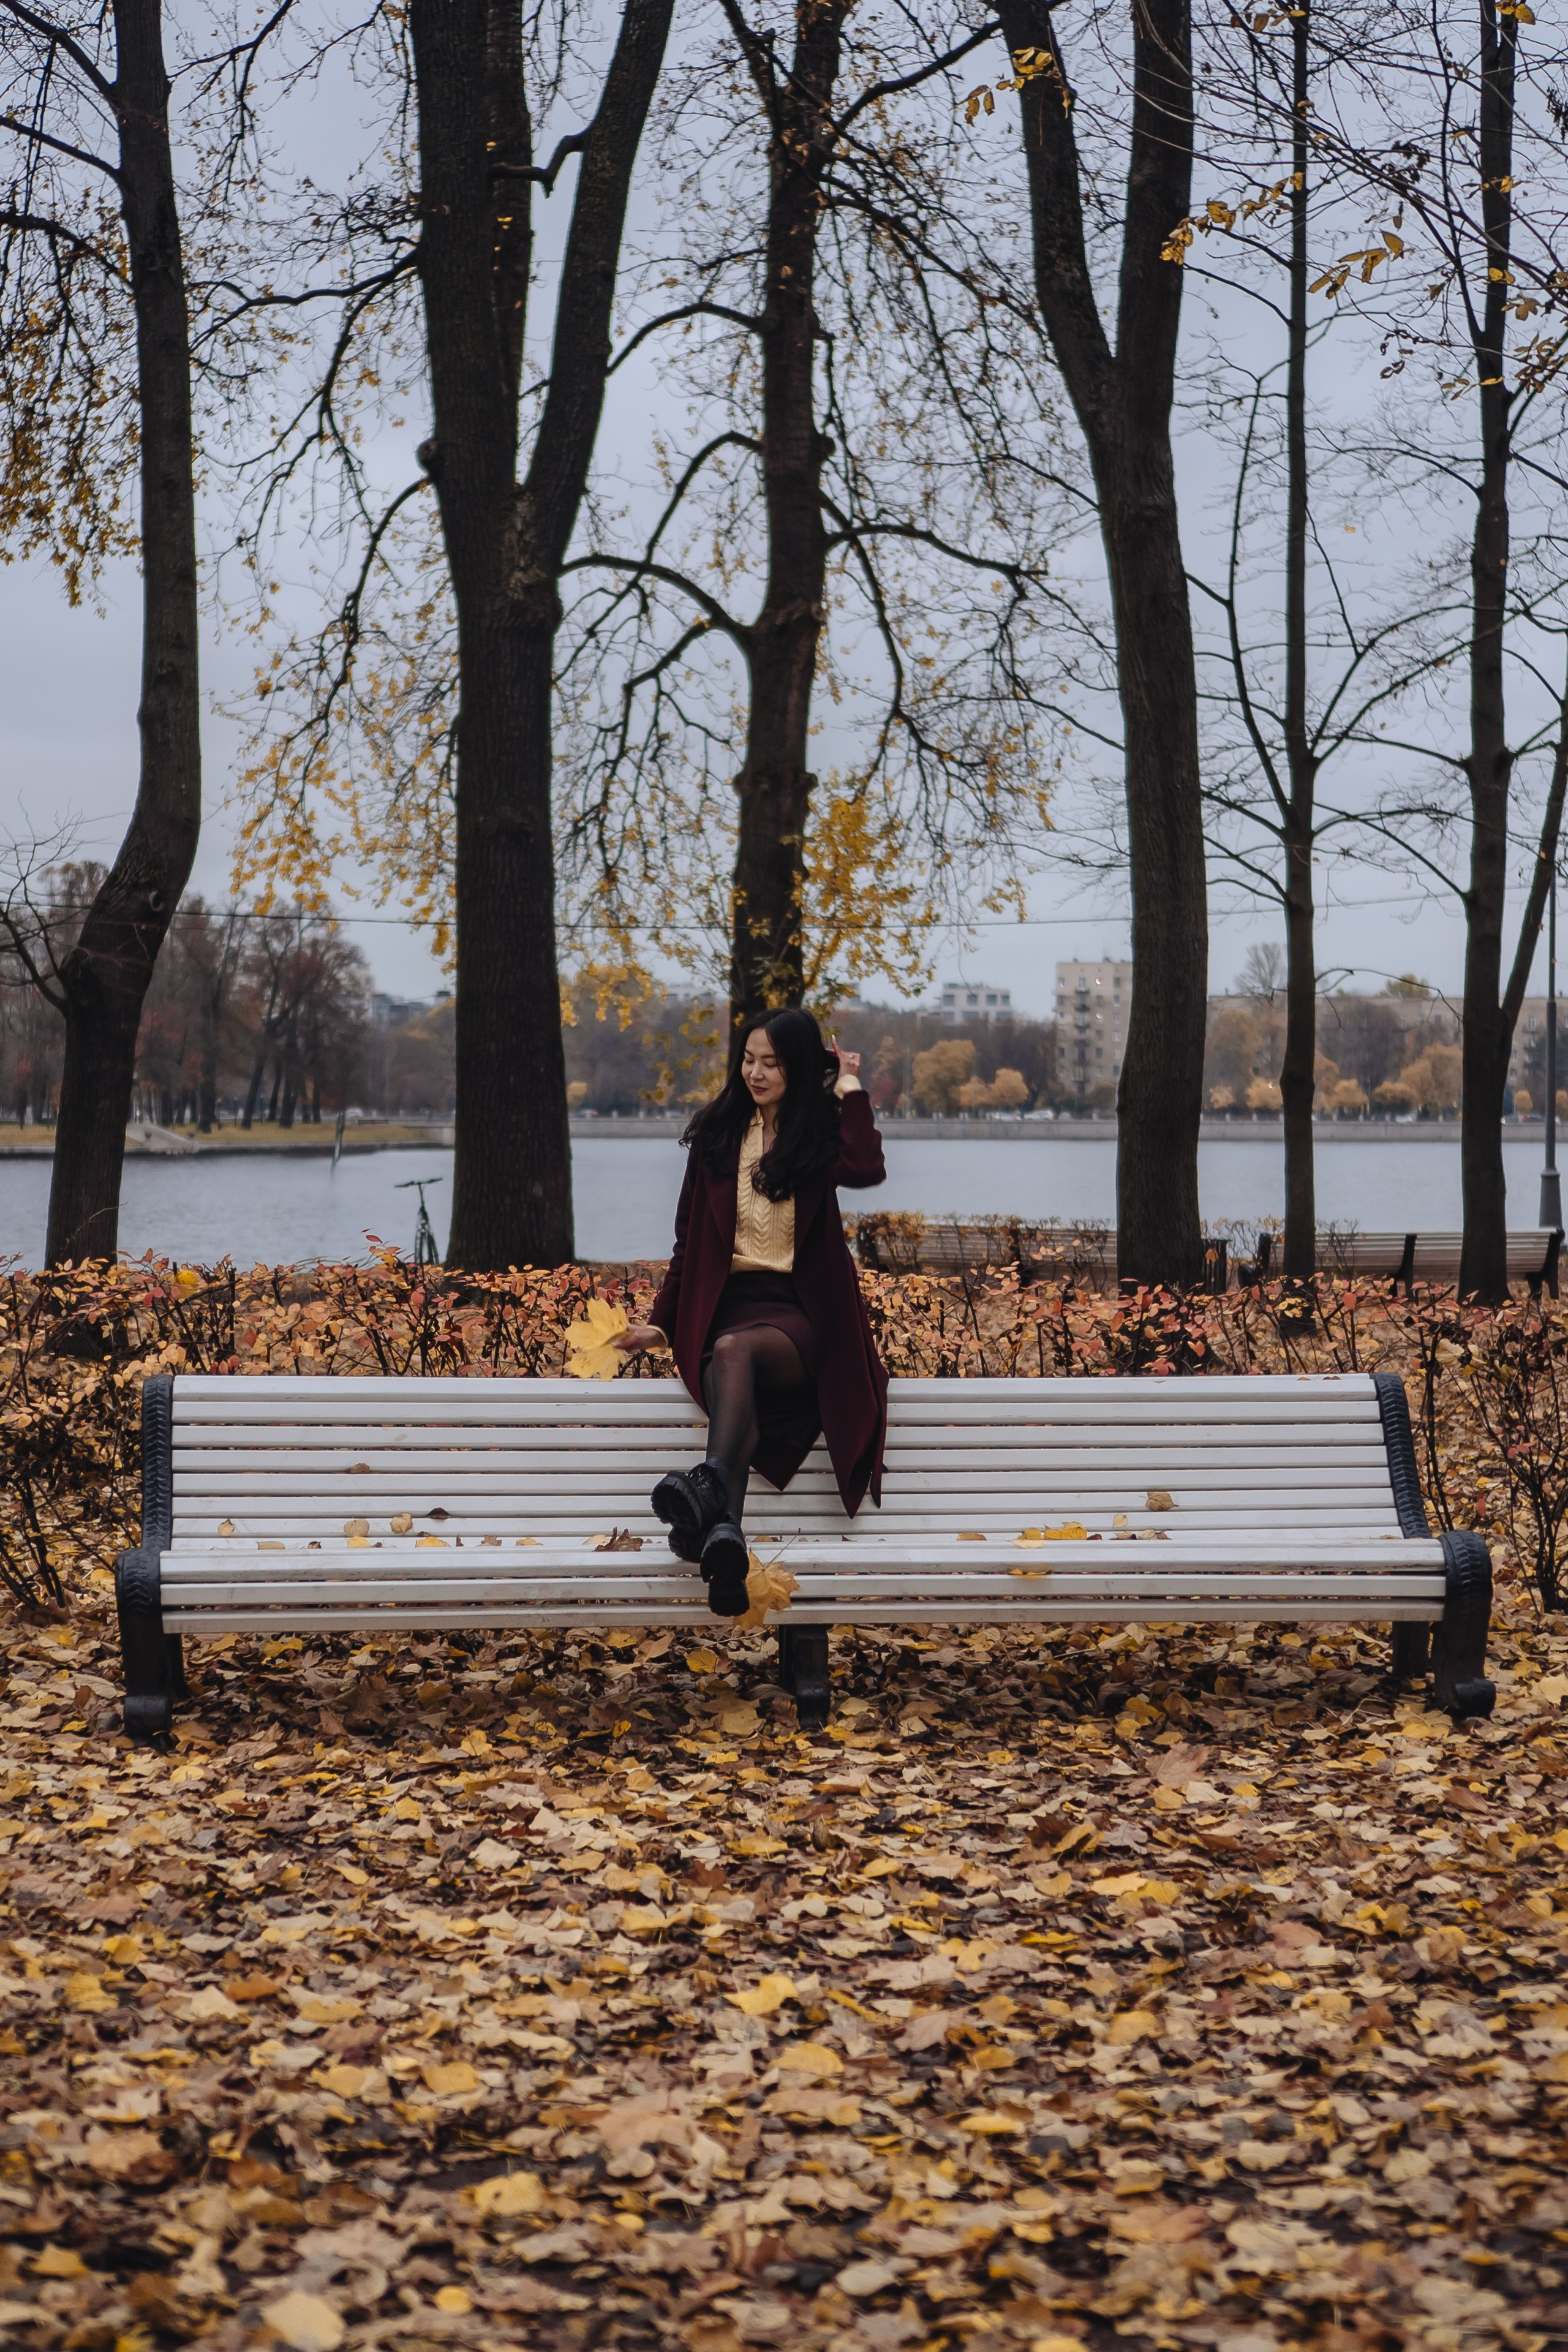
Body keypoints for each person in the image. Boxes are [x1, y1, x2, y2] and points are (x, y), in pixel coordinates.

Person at [613, 1008, 889, 1616]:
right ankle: (724, 1545)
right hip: (722, 1310)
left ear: (795, 1068)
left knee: (735, 1353)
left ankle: (707, 1487)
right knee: (728, 1362)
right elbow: (688, 1244)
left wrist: (848, 1084)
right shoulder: (718, 1135)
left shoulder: (815, 1135)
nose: (756, 1073)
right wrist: (661, 1324)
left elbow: (866, 1168)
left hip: (800, 1316)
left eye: (771, 1062)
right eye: (748, 1060)